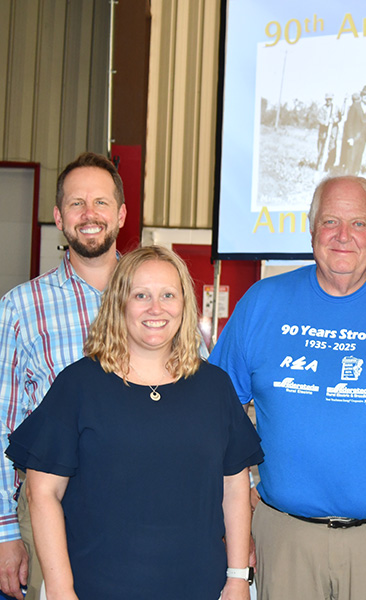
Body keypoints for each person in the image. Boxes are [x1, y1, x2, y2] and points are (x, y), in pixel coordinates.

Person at [209, 175, 366, 600]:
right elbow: (216, 414)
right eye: (330, 222)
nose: (343, 236)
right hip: (283, 536)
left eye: (358, 223)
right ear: (311, 230)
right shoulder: (262, 303)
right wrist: (234, 519)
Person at [5, 245, 264, 599]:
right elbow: (42, 493)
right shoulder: (78, 386)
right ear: (118, 303)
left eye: (168, 295)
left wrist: (237, 577)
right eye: (141, 295)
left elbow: (234, 487)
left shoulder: (214, 387)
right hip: (96, 587)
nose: (156, 308)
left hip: (199, 586)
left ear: (184, 304)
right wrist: (62, 590)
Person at [0, 152, 127, 600]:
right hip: (50, 509)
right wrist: (5, 530)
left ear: (121, 214)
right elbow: (3, 422)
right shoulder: (20, 308)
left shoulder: (159, 300)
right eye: (76, 203)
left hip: (146, 507)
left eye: (101, 202)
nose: (89, 214)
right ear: (58, 217)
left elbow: (202, 402)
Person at [341, 85, 366, 175]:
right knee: (350, 159)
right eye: (364, 95)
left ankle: (355, 177)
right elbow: (349, 123)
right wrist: (350, 137)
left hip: (363, 138)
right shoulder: (355, 106)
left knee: (358, 159)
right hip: (354, 138)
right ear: (361, 96)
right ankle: (347, 177)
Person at [315, 93, 343, 171]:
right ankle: (319, 166)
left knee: (332, 150)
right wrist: (325, 123)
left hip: (332, 133)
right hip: (323, 133)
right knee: (321, 150)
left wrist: (335, 120)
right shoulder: (322, 108)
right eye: (327, 100)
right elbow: (319, 118)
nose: (329, 101)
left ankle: (328, 166)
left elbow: (340, 117)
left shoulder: (336, 108)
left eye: (330, 99)